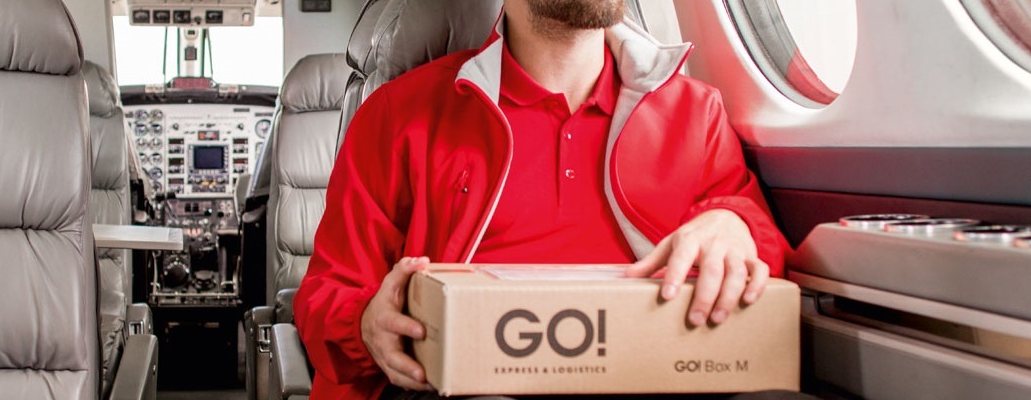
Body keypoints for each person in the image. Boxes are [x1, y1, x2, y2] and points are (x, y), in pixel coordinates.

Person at [294, 0, 794, 399]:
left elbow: (760, 241)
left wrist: (734, 224)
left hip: (655, 377)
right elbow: (325, 295)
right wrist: (367, 324)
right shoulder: (399, 115)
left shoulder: (696, 112)